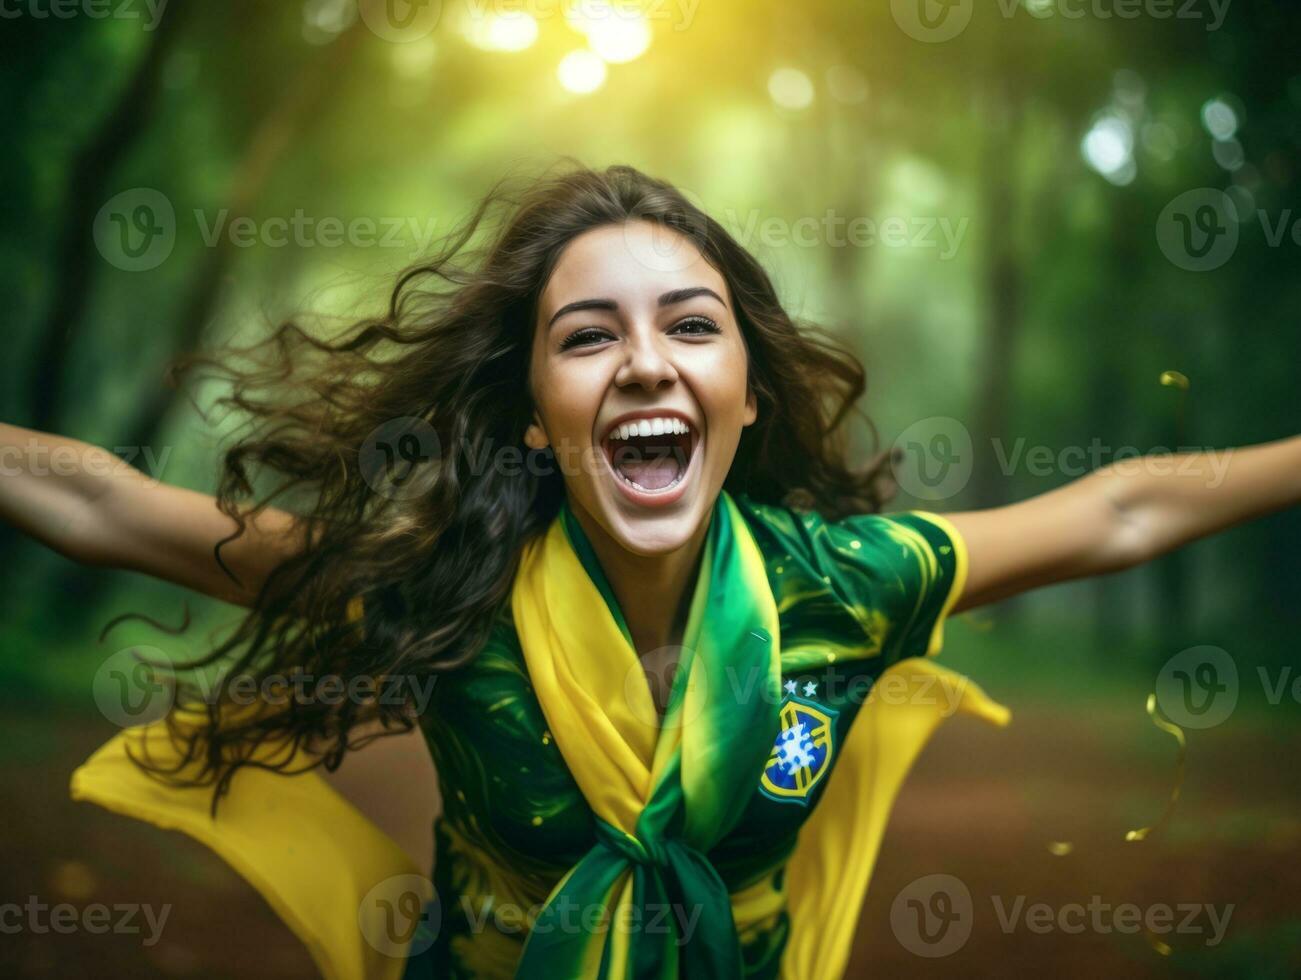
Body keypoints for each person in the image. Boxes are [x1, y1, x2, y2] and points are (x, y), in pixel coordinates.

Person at [3, 163, 1298, 980]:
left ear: (739, 395)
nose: (643, 361)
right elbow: (113, 509)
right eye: (585, 335)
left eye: (691, 325)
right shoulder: (439, 580)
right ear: (530, 411)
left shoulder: (849, 580)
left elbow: (1120, 508)